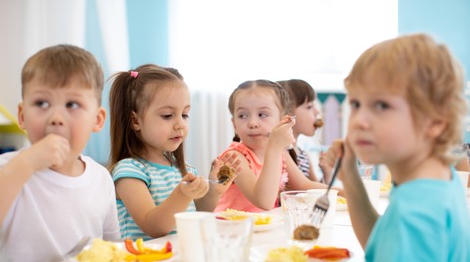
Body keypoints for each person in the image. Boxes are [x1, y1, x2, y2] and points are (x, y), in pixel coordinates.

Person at [322, 34, 470, 261]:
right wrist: (350, 178)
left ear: (435, 121)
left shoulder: (416, 214)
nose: (359, 119)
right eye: (356, 104)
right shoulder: (433, 181)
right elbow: (382, 243)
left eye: (381, 105)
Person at [0, 44, 120, 261]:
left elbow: (112, 247)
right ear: (22, 116)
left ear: (97, 119)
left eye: (72, 104)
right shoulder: (9, 169)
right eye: (41, 103)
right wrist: (26, 163)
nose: (56, 117)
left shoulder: (101, 179)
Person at [108, 64, 239, 240]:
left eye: (184, 115)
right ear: (135, 120)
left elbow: (195, 214)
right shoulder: (129, 172)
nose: (180, 124)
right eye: (168, 116)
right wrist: (182, 195)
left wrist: (213, 191)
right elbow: (153, 226)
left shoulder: (184, 169)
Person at [214, 80, 337, 213]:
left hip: (266, 227)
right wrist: (274, 147)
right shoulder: (233, 158)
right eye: (242, 115)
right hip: (234, 230)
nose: (252, 123)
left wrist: (346, 194)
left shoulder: (280, 153)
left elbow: (304, 185)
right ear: (234, 125)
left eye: (262, 115)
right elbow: (264, 201)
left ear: (282, 120)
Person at [277, 79, 329, 183]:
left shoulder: (303, 155)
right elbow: (304, 186)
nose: (317, 111)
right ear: (286, 113)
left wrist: (327, 173)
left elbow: (314, 192)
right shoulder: (279, 152)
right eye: (309, 107)